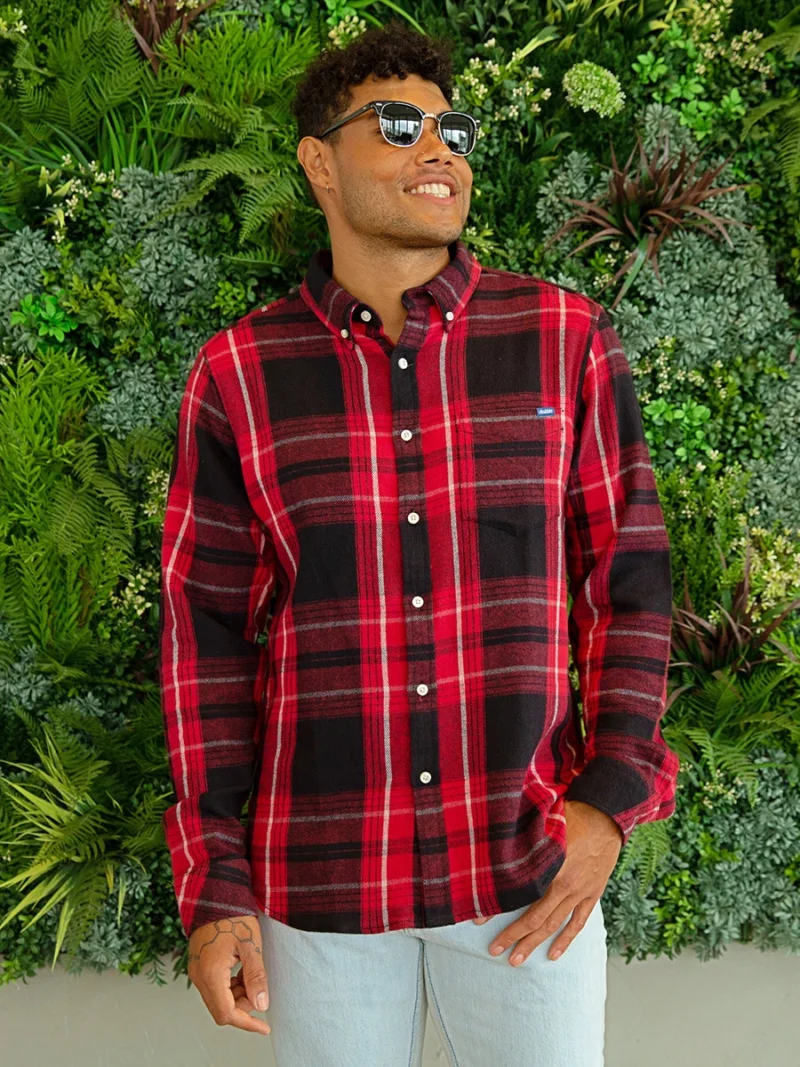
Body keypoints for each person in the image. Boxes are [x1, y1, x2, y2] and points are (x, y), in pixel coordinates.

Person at [158, 19, 680, 1067]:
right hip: (321, 888)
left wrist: (609, 801)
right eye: (397, 126)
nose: (438, 148)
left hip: (525, 871)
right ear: (319, 163)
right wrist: (214, 883)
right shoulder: (238, 374)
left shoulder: (565, 341)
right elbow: (203, 639)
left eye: (453, 129)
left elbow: (627, 583)